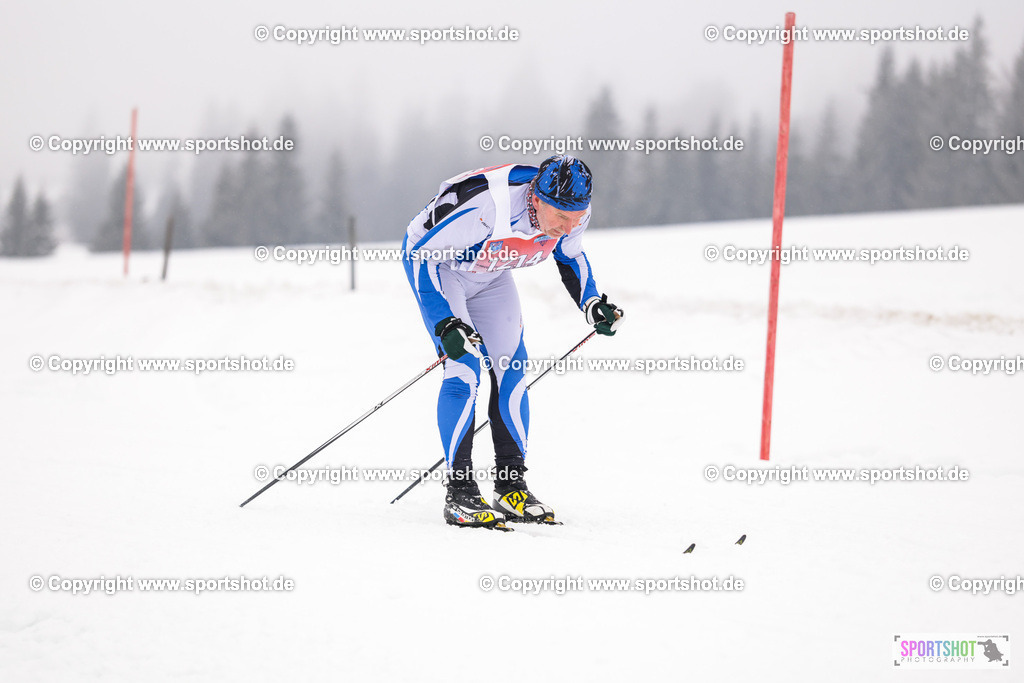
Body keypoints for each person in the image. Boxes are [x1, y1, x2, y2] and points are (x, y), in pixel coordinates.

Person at [402, 155, 623, 529]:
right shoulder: (489, 206)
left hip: (490, 274)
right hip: (442, 269)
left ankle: (510, 485)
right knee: (465, 367)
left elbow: (571, 256)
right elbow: (424, 256)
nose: (569, 226)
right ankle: (460, 492)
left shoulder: (573, 213)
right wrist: (445, 324)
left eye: (576, 217)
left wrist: (592, 303)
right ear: (535, 198)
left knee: (513, 370)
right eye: (561, 217)